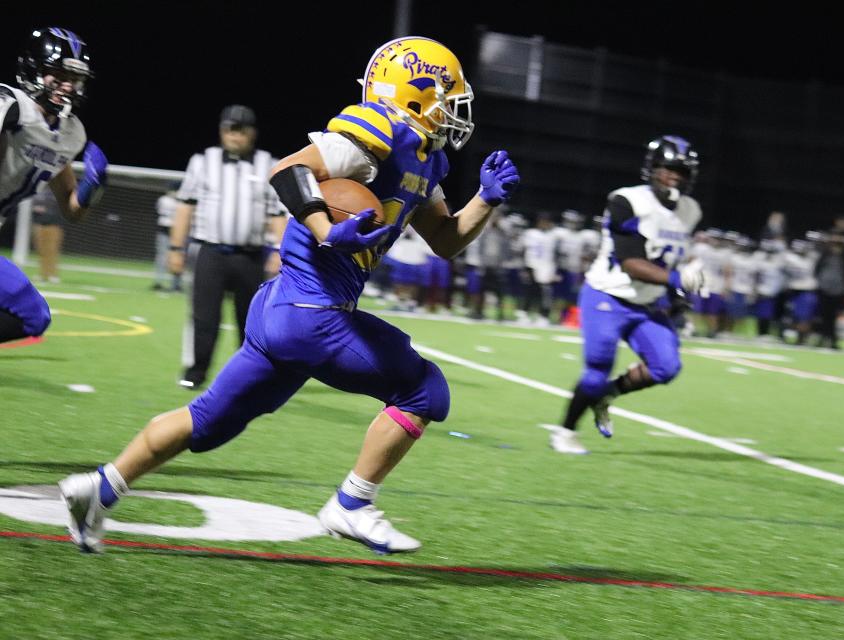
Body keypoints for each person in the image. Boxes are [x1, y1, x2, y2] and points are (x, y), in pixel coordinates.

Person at [59, 36, 519, 555]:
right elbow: (288, 169)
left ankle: (97, 489)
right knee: (424, 390)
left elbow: (446, 240)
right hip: (310, 311)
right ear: (412, 91)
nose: (455, 110)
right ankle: (351, 504)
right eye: (446, 94)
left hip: (284, 310)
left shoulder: (427, 160)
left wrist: (486, 200)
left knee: (208, 422)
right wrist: (326, 229)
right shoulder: (378, 128)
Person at [551, 135, 703, 454]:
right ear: (652, 169)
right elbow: (632, 263)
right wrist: (678, 279)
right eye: (667, 168)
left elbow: (674, 255)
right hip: (607, 295)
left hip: (646, 303)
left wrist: (679, 299)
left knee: (666, 366)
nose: (674, 176)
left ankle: (608, 395)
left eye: (681, 171)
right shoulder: (627, 201)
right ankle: (565, 432)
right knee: (595, 371)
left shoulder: (691, 210)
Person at [168, 105, 288, 389]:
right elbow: (185, 206)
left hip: (251, 256)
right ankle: (196, 372)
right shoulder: (202, 161)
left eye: (241, 130)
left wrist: (280, 251)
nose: (235, 136)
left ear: (252, 133)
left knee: (250, 322)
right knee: (204, 317)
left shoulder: (268, 163)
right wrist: (175, 248)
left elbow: (277, 213)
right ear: (222, 131)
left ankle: (246, 376)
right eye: (230, 129)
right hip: (211, 252)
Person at [0, 27, 107, 344]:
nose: (67, 85)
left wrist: (93, 186)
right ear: (34, 69)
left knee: (34, 317)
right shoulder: (11, 104)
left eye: (73, 78)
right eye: (57, 74)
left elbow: (72, 210)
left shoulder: (72, 133)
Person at [30, 186, 65, 283]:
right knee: (41, 251)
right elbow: (34, 208)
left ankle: (53, 275)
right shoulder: (39, 194)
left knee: (52, 251)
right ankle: (42, 274)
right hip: (39, 225)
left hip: (54, 226)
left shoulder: (60, 195)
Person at [152, 182, 182, 292]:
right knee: (162, 256)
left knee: (177, 257)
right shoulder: (165, 200)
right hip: (165, 230)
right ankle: (159, 282)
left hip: (177, 232)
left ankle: (176, 284)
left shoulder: (178, 200)